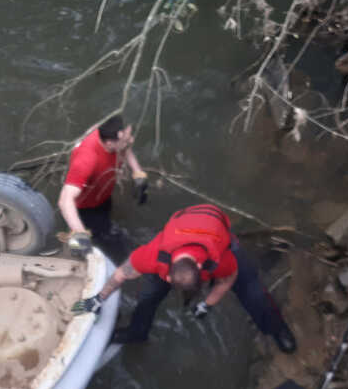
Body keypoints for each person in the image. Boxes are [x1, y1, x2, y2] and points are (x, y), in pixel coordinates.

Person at [72, 202, 298, 352]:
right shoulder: (152, 257)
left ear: (202, 268)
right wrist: (98, 299)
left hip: (218, 234)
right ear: (168, 275)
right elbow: (121, 273)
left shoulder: (220, 260)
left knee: (252, 290)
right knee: (149, 297)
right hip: (183, 228)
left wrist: (207, 304)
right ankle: (137, 333)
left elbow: (228, 279)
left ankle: (275, 327)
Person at [57, 114, 147, 261]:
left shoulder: (110, 135)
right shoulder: (86, 160)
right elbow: (65, 200)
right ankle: (76, 255)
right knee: (101, 242)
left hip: (102, 193)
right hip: (85, 207)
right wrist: (81, 235)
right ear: (110, 143)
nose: (132, 140)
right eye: (127, 139)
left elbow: (126, 148)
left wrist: (138, 173)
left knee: (106, 223)